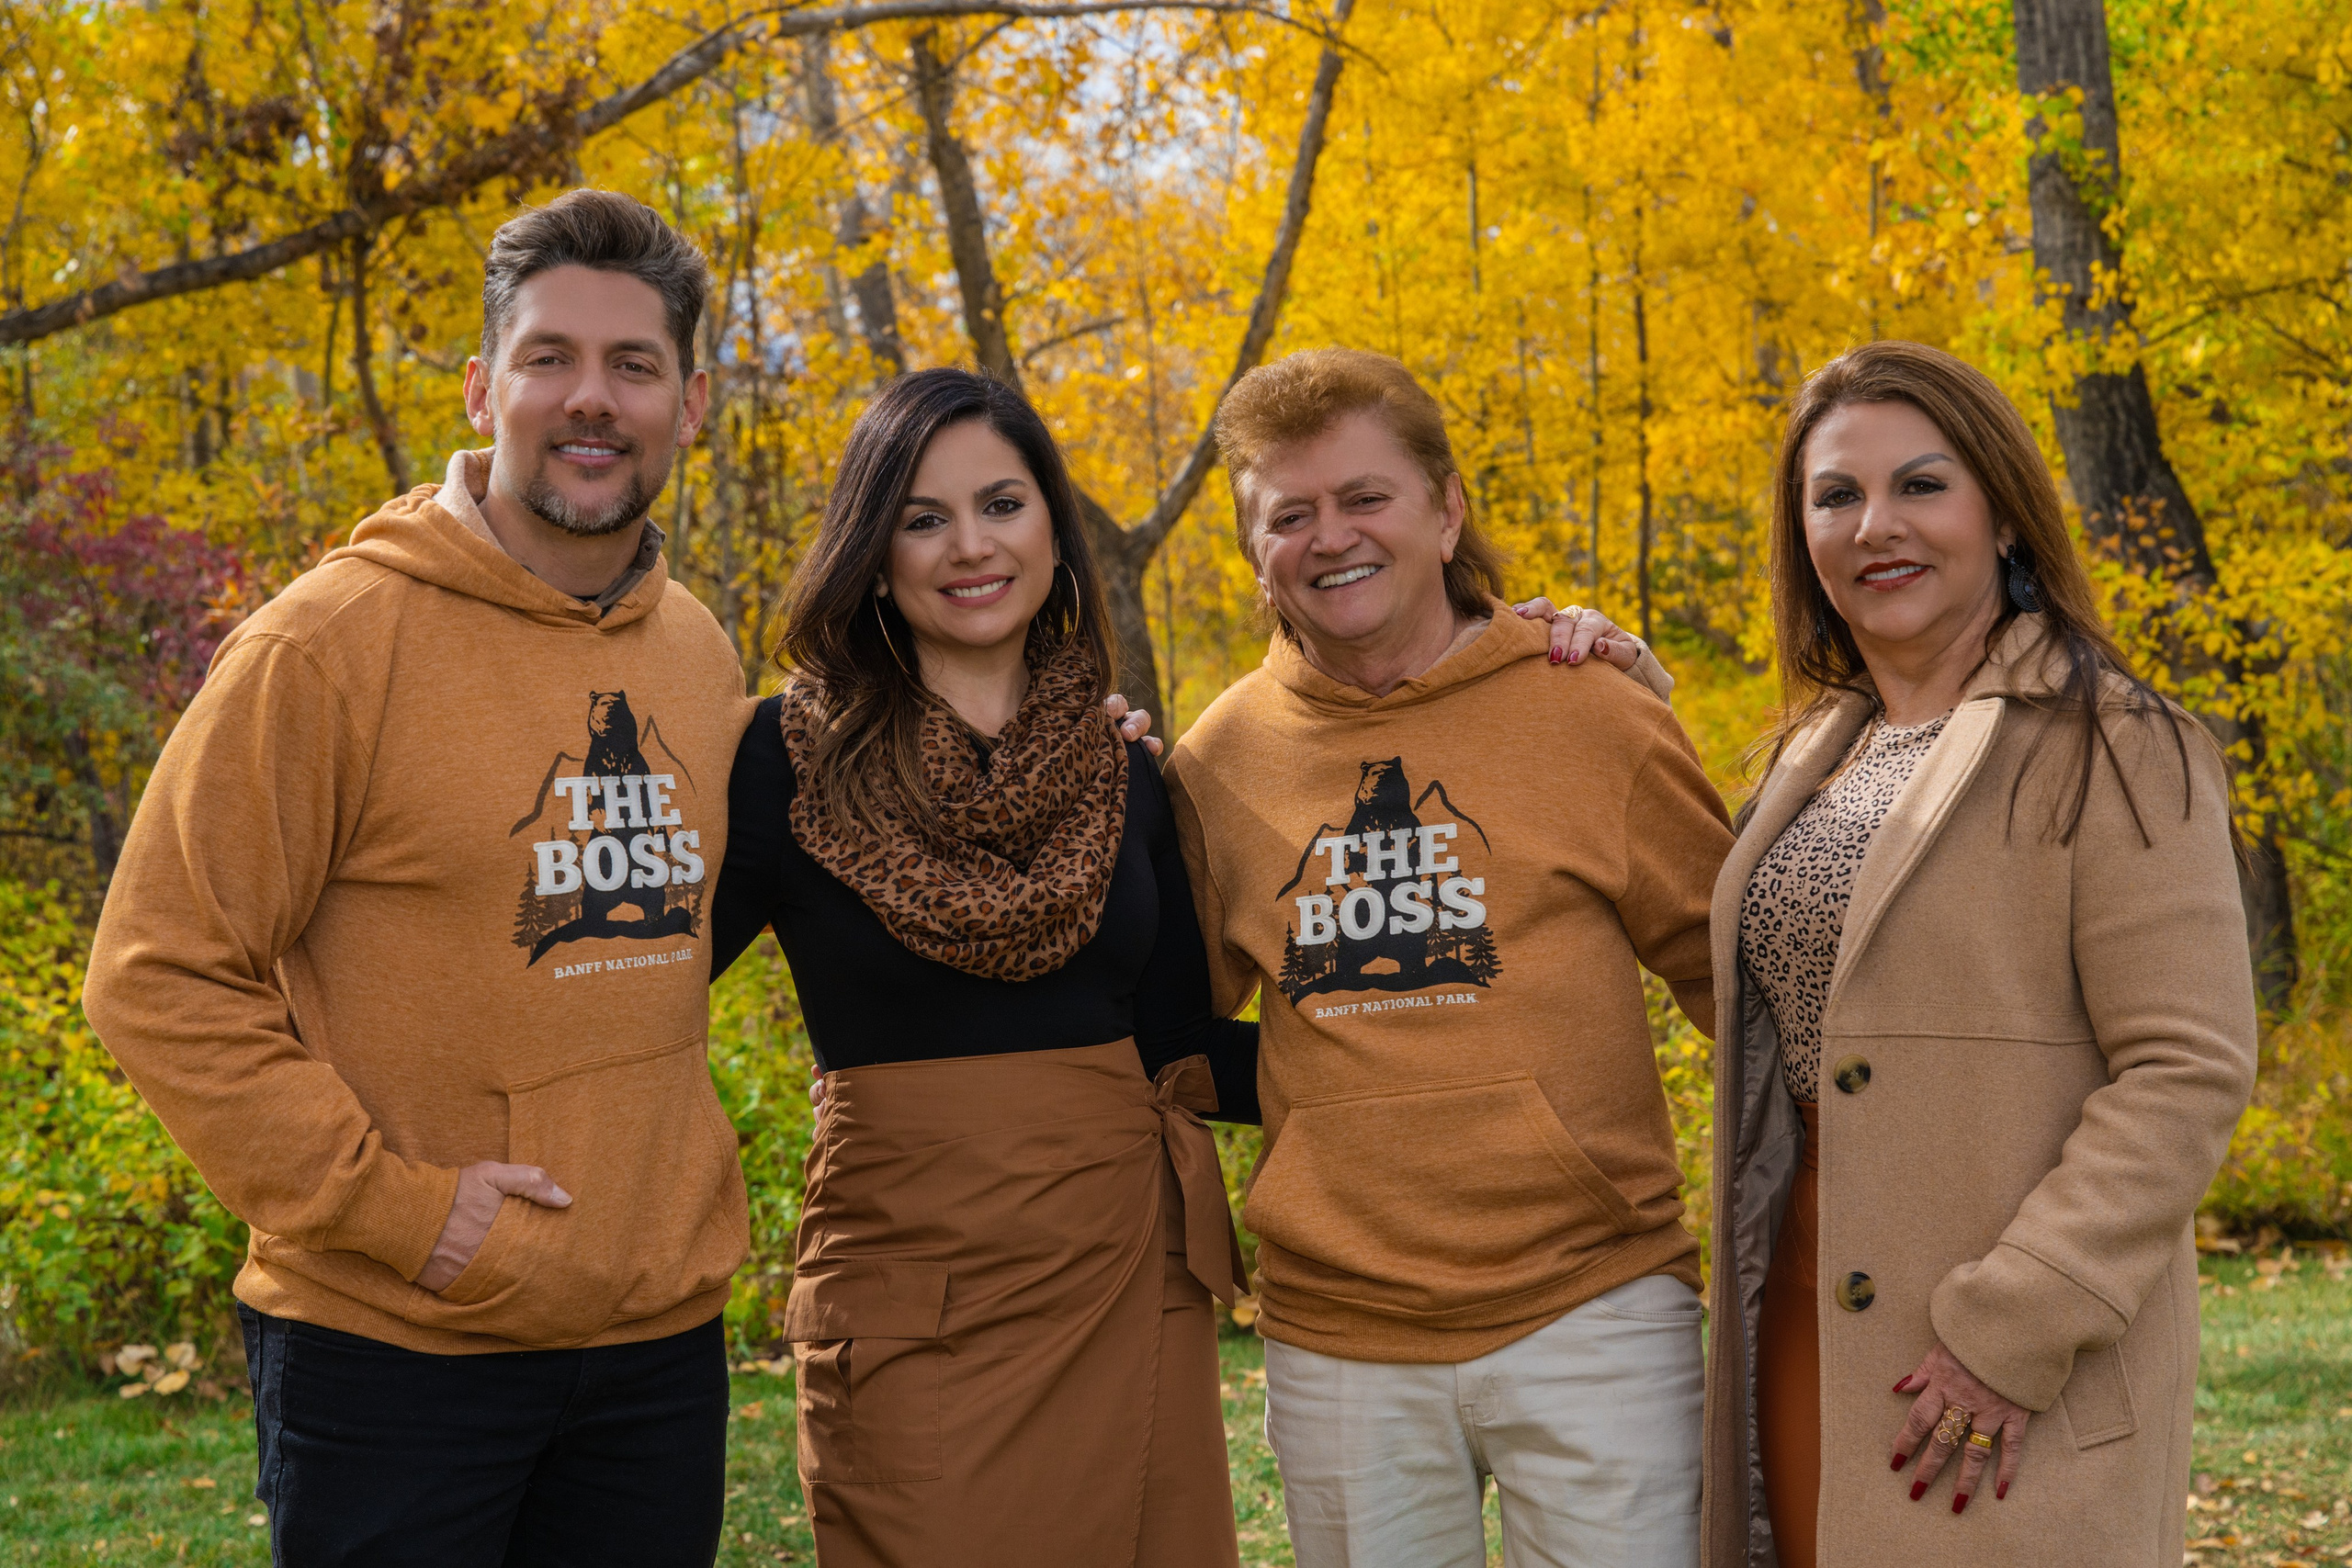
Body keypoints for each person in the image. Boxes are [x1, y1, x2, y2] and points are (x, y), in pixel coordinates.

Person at [81, 190, 752, 1563]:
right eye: (549, 357)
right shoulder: (327, 646)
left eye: (634, 366)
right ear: (483, 385)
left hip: (652, 1347)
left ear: (691, 406)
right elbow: (156, 974)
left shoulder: (699, 653)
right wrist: (407, 1214)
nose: (591, 400)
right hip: (396, 1349)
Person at [1686, 341, 2256, 1567]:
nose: (1875, 524)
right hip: (1801, 1311)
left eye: (1921, 485)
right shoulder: (1808, 757)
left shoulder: (2118, 743)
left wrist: (2018, 1323)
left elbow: (2186, 1070)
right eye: (1836, 495)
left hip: (2001, 1352)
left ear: (2002, 511)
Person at [1160, 346, 1734, 1568]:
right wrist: (1345, 1108)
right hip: (1341, 1336)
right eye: (1290, 515)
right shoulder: (1214, 767)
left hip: (1596, 1308)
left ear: (1445, 508)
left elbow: (1742, 987)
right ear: (1253, 547)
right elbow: (1167, 1033)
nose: (1332, 538)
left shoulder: (1594, 707)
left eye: (1365, 498)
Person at [709, 367, 1266, 1568]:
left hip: (1122, 1276)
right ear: (874, 546)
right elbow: (628, 988)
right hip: (913, 1298)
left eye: (1002, 506)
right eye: (923, 517)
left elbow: (1180, 1051)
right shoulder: (781, 756)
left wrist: (1433, 1037)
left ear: (1052, 530)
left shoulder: (1122, 773)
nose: (971, 547)